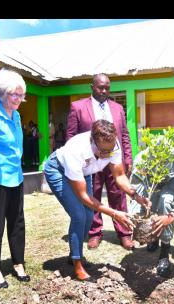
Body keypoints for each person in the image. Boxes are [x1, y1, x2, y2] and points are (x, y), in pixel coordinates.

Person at [44, 119, 150, 281]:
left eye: (111, 150)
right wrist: (115, 214)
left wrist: (135, 196)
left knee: (89, 216)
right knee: (79, 215)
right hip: (58, 170)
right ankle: (77, 264)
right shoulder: (76, 150)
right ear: (92, 140)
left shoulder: (112, 145)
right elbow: (84, 197)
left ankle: (74, 253)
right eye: (103, 151)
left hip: (83, 173)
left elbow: (120, 175)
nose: (108, 155)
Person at [66, 73, 134, 251]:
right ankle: (95, 233)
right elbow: (71, 136)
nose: (104, 91)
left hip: (113, 160)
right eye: (100, 87)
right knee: (93, 194)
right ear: (92, 87)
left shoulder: (118, 108)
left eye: (107, 87)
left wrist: (128, 157)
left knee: (118, 195)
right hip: (90, 163)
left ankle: (125, 233)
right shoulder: (78, 107)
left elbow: (124, 135)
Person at [0, 69, 30, 289]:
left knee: (17, 221)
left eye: (21, 95)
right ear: (2, 93)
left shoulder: (17, 115)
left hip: (17, 176)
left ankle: (18, 262)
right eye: (15, 95)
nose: (20, 99)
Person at [129, 143, 174, 278]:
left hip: (171, 186)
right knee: (146, 203)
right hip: (150, 187)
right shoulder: (142, 159)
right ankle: (152, 238)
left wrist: (172, 215)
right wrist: (136, 216)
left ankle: (165, 251)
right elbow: (135, 189)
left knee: (166, 201)